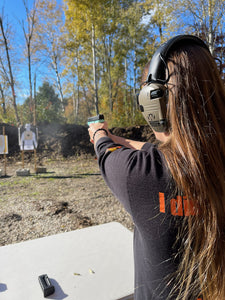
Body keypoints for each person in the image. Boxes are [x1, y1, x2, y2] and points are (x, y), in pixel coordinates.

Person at [88, 35, 225, 300]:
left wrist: (99, 133)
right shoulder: (211, 163)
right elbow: (164, 154)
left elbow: (105, 153)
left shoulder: (138, 174)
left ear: (154, 105)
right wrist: (123, 140)